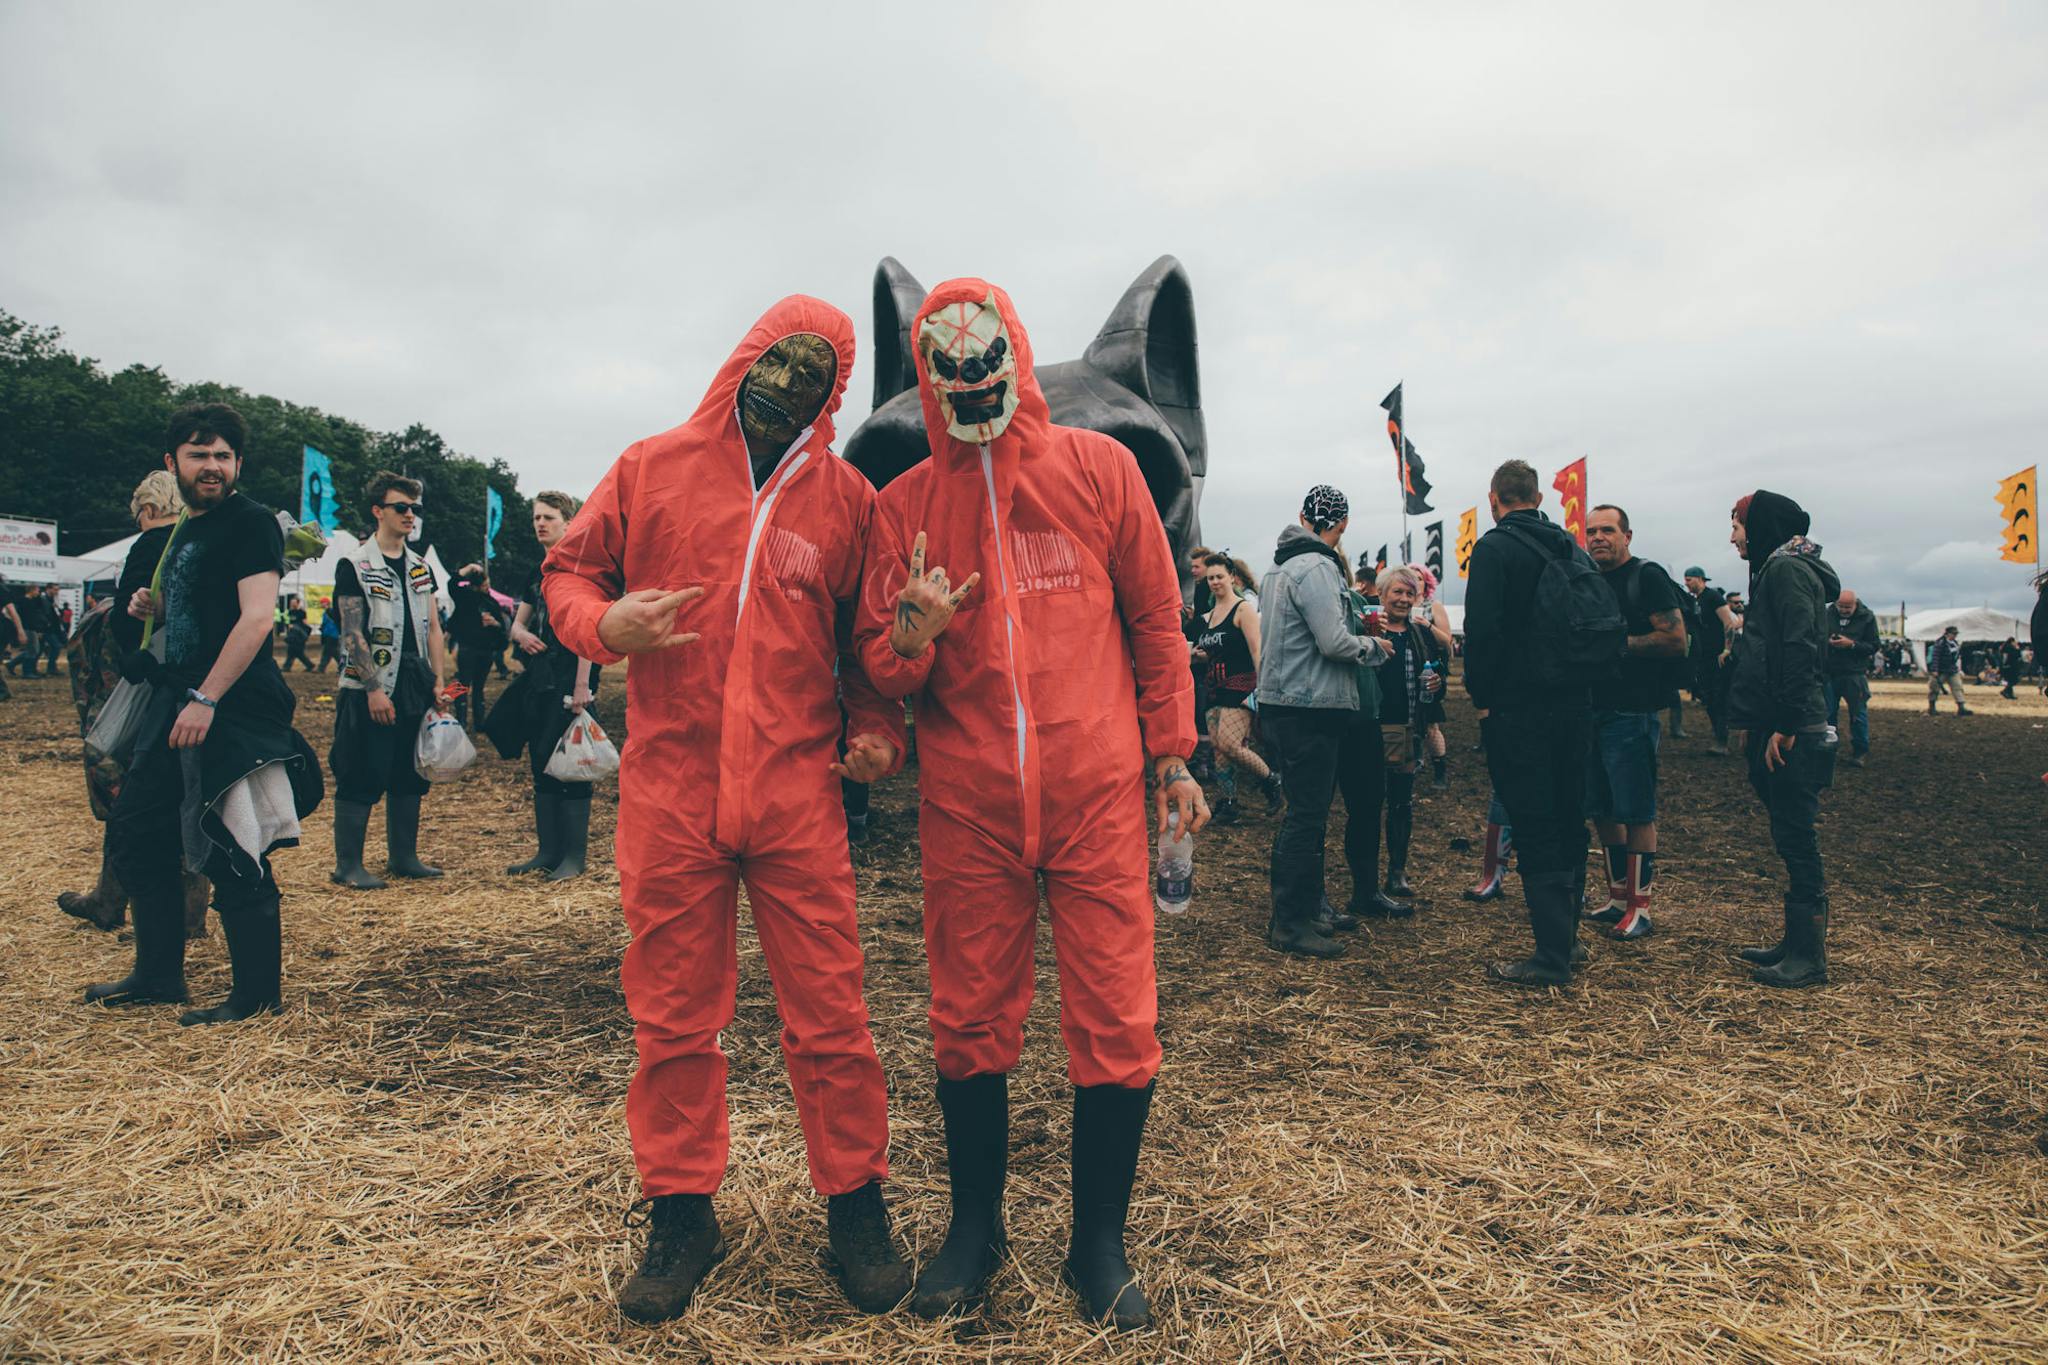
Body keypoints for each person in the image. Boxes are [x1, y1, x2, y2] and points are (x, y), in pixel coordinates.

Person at [546, 296, 912, 1323]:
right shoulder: (649, 468)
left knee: (831, 1015)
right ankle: (680, 1209)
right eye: (781, 362)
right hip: (671, 790)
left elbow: (864, 653)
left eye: (819, 375)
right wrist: (603, 625)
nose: (791, 389)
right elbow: (570, 572)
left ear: (834, 395)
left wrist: (876, 728)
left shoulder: (846, 499)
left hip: (797, 796)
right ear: (744, 358)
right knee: (670, 1018)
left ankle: (854, 1201)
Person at [854, 278, 1200, 1331]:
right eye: (949, 370)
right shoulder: (905, 505)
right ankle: (975, 1229)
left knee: (1115, 1019)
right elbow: (878, 672)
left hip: (1095, 795)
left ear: (1013, 354)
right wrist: (910, 635)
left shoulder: (1098, 472)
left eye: (984, 362)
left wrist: (1172, 757)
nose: (971, 383)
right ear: (927, 377)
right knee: (966, 1019)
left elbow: (1154, 619)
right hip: (967, 807)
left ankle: (1097, 1245)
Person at [83, 402, 320, 1025]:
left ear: (237, 463)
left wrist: (208, 698)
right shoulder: (184, 528)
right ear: (173, 463)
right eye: (198, 454)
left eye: (222, 455)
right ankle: (159, 976)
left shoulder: (250, 524)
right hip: (175, 697)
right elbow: (200, 608)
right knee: (137, 831)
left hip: (232, 706)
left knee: (234, 842)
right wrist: (151, 605)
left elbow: (256, 618)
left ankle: (256, 997)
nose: (211, 466)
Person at [1463, 459, 1602, 987]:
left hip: (1520, 707)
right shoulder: (1572, 548)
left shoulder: (1495, 548)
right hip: (1575, 705)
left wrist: (1483, 698)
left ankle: (1550, 958)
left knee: (1536, 820)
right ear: (1539, 497)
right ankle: (1566, 940)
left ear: (1494, 499)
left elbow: (1483, 631)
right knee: (1570, 817)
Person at [59, 469, 208, 933]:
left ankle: (115, 901)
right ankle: (187, 911)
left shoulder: (150, 545)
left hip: (148, 690)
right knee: (188, 794)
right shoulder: (200, 540)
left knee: (134, 792)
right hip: (196, 685)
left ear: (147, 509)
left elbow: (130, 629)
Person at [1254, 485, 1392, 959]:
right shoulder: (1317, 567)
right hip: (1308, 705)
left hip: (1282, 702)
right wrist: (1374, 648)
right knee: (1307, 816)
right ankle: (1290, 923)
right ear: (1344, 524)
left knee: (1304, 813)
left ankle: (1305, 912)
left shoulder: (1279, 567)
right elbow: (1333, 642)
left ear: (1302, 515)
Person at [1727, 491, 1839, 988]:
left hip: (1795, 726)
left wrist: (1789, 723)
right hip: (1778, 720)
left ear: (1761, 525)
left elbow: (1800, 646)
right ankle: (1796, 942)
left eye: (1737, 524)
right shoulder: (1776, 568)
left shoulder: (1787, 571)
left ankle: (1808, 956)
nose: (1732, 535)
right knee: (1789, 831)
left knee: (1797, 833)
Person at [328, 472, 453, 889]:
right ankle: (349, 866)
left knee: (409, 773)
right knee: (361, 770)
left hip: (415, 685)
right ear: (378, 511)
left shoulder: (421, 567)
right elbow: (351, 631)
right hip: (369, 687)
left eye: (415, 509)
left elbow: (434, 627)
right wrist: (374, 689)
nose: (410, 515)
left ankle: (404, 857)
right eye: (401, 507)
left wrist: (440, 682)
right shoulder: (356, 565)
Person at [1581, 505, 1687, 941]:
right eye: (1592, 531)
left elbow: (1675, 639)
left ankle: (1641, 908)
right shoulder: (1589, 580)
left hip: (1634, 710)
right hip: (1593, 709)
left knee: (1636, 808)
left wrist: (1617, 645)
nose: (1599, 537)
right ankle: (1619, 897)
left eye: (1608, 530)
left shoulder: (1649, 576)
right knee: (1602, 808)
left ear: (1627, 534)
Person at [496, 491, 599, 880]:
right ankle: (547, 852)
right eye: (537, 517)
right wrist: (520, 636)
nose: (541, 523)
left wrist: (582, 688)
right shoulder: (535, 571)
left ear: (569, 523)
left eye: (550, 517)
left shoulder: (582, 569)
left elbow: (587, 630)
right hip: (538, 681)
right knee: (541, 763)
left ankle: (573, 858)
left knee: (573, 768)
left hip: (572, 683)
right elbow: (517, 624)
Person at [1374, 565, 1450, 902]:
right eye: (1397, 592)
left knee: (1400, 802)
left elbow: (1438, 676)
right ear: (1382, 596)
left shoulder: (1420, 634)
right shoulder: (1371, 630)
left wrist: (1437, 683)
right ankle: (1366, 877)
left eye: (1409, 593)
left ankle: (1397, 871)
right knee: (1368, 803)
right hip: (1369, 727)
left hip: (1403, 729)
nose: (1404, 599)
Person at [1190, 552, 1280, 824]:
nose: (1215, 582)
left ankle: (1271, 781)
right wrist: (1199, 654)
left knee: (1231, 744)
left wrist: (1263, 690)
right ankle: (1228, 803)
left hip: (1241, 685)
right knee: (1218, 749)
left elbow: (1256, 650)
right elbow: (1214, 649)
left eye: (1219, 576)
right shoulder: (1210, 615)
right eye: (1210, 578)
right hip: (1214, 688)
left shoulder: (1243, 609)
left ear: (1231, 576)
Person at [1823, 588, 1879, 764]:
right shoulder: (1826, 614)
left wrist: (1852, 645)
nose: (1844, 610)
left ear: (1855, 604)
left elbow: (1873, 645)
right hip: (1829, 673)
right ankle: (1827, 751)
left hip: (1854, 674)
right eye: (1841, 606)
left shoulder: (1867, 617)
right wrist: (1826, 642)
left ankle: (1860, 751)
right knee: (1827, 715)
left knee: (1858, 715)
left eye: (1848, 607)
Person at [1682, 567, 1734, 753]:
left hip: (1718, 657)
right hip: (1703, 657)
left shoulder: (1713, 597)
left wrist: (1727, 649)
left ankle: (1722, 742)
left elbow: (1729, 623)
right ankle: (1719, 738)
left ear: (1700, 579)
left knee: (1719, 698)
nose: (1687, 583)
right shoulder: (1696, 600)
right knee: (1710, 698)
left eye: (1689, 580)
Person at [446, 563, 503, 728]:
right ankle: (461, 719)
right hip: (467, 647)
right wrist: (467, 569)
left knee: (479, 686)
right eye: (484, 585)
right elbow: (452, 583)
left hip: (486, 649)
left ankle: (479, 721)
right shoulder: (464, 597)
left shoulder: (492, 602)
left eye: (488, 585)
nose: (487, 587)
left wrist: (495, 624)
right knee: (462, 684)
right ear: (475, 585)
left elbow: (503, 628)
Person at [1926, 626, 1969, 715]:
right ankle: (1932, 708)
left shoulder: (1954, 643)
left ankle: (1961, 707)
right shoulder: (1940, 643)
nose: (1955, 635)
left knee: (1957, 687)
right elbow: (1936, 657)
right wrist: (1935, 669)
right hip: (1940, 669)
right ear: (1947, 633)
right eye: (1953, 633)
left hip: (1952, 669)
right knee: (1934, 688)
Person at [281, 595, 313, 671]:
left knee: (296, 651)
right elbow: (286, 621)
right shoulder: (289, 612)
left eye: (294, 603)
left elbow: (305, 623)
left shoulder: (302, 612)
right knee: (293, 651)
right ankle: (287, 667)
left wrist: (304, 633)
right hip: (292, 635)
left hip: (299, 635)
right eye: (291, 602)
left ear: (298, 603)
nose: (292, 604)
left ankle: (287, 667)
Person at [316, 602, 340, 671]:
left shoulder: (330, 612)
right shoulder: (327, 612)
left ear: (327, 603)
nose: (321, 604)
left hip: (331, 634)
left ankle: (321, 668)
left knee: (328, 652)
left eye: (322, 603)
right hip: (330, 634)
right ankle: (342, 667)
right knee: (333, 652)